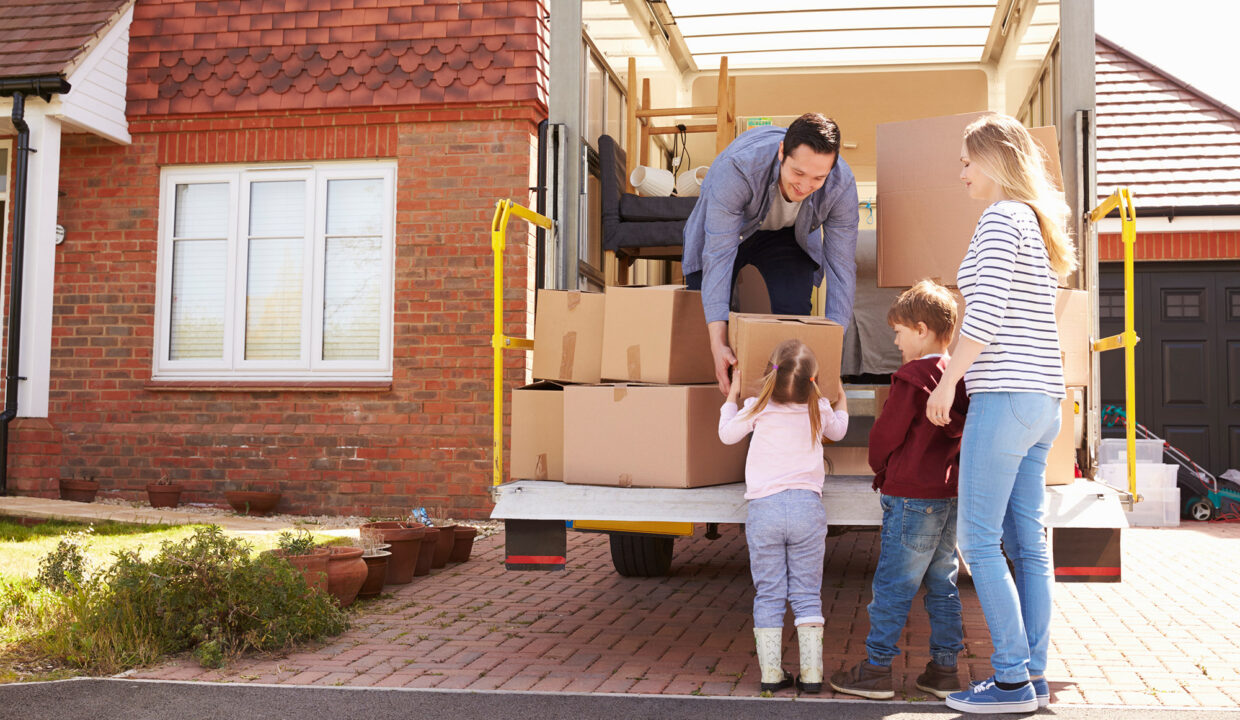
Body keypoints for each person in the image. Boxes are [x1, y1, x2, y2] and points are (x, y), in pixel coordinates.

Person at [926, 113, 1076, 714]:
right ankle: (1032, 677)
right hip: (1043, 403)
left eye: (966, 161)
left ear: (993, 159)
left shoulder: (998, 220)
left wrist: (947, 384)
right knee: (1027, 545)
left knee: (977, 541)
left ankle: (1011, 681)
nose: (961, 172)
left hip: (1006, 397)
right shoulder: (1033, 225)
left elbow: (983, 318)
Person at [828, 280, 969, 701]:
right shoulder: (957, 377)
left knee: (893, 584)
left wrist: (880, 467)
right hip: (947, 495)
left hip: (910, 496)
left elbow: (885, 434)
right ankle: (944, 671)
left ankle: (875, 670)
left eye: (899, 331)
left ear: (921, 330)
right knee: (943, 583)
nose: (894, 339)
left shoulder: (912, 377)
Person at [683, 113, 860, 395]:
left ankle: (781, 414)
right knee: (707, 331)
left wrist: (831, 354)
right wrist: (717, 343)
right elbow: (718, 255)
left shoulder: (841, 185)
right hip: (730, 233)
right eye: (798, 173)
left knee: (792, 318)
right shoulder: (738, 169)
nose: (804, 186)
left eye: (818, 178)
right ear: (781, 153)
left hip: (787, 237)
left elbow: (841, 269)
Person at [717, 339, 849, 694]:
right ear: (814, 381)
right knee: (807, 593)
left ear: (769, 375)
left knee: (770, 593)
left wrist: (731, 398)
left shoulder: (756, 407)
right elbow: (840, 430)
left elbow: (727, 435)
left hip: (765, 510)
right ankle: (811, 674)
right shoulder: (818, 408)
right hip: (807, 509)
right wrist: (841, 398)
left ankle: (772, 674)